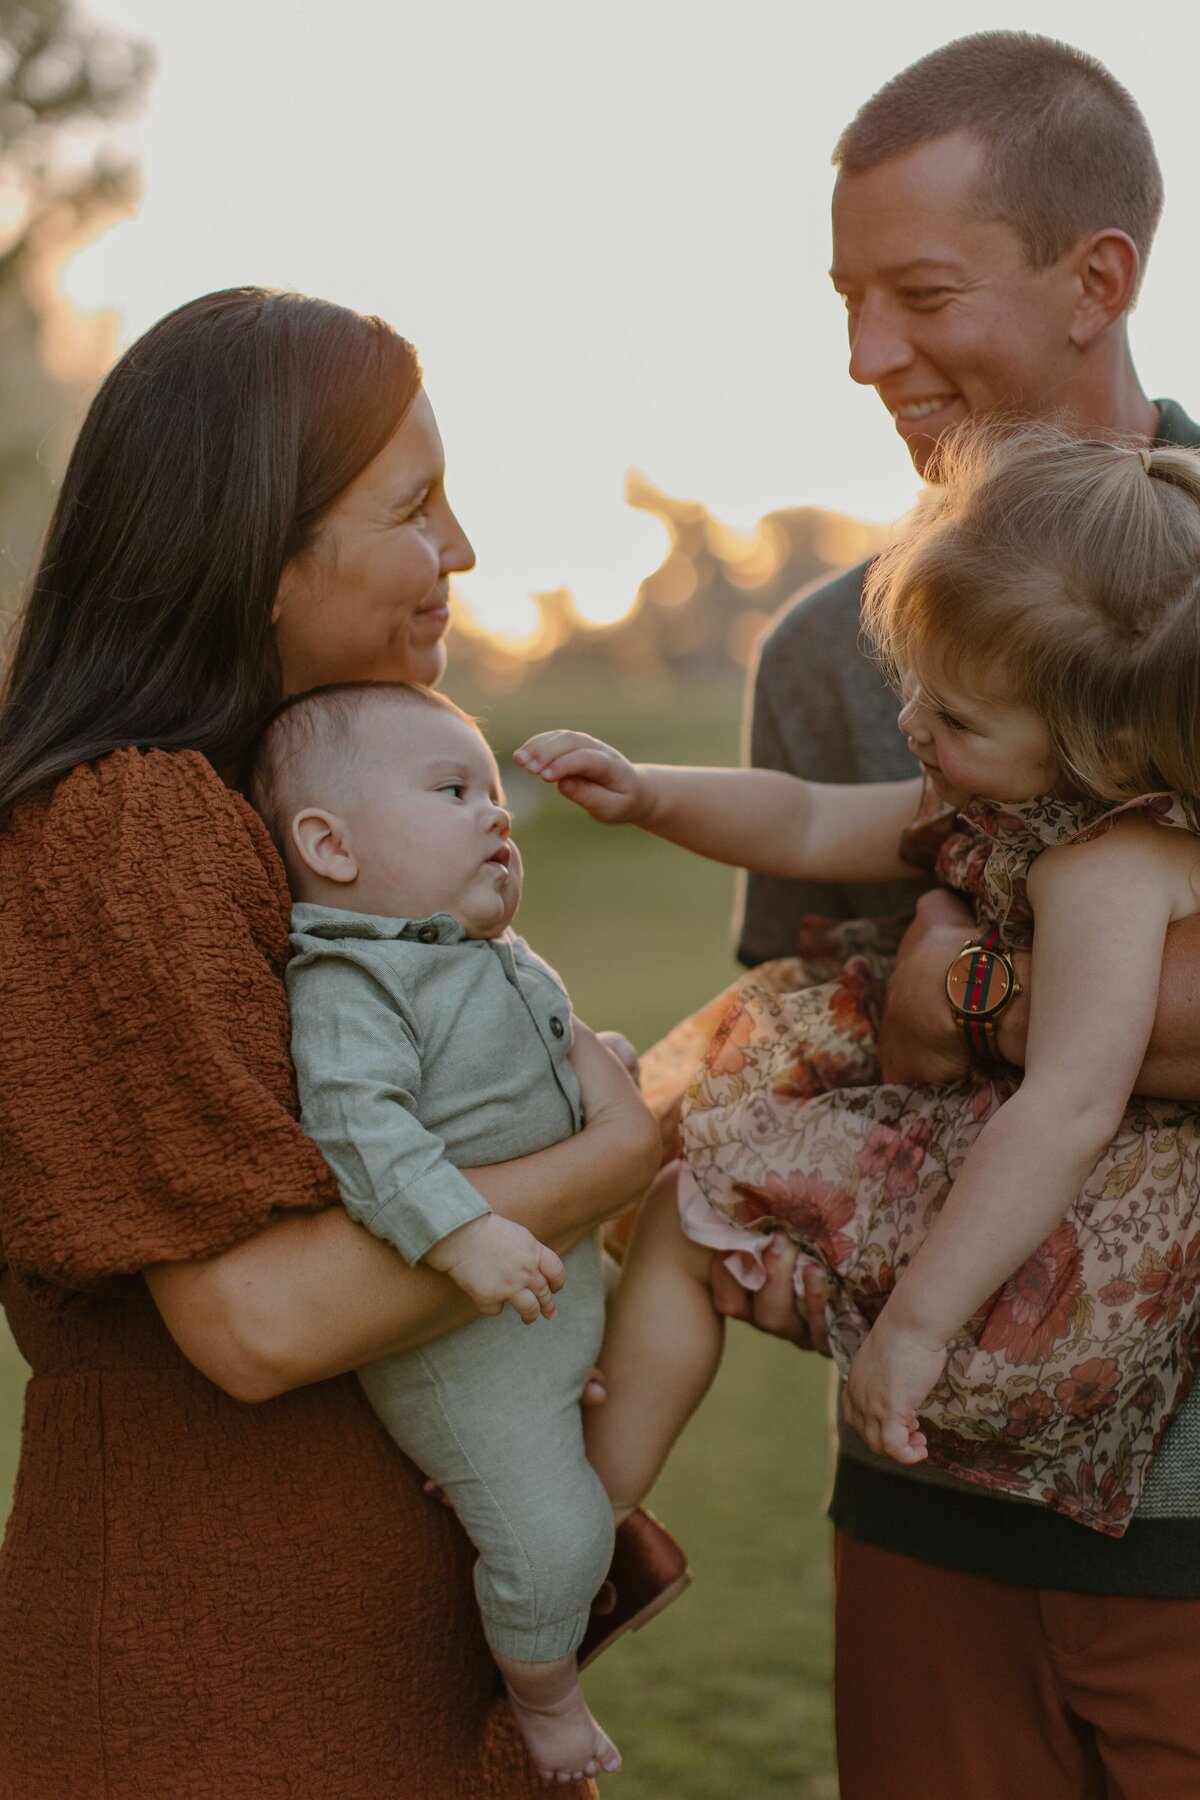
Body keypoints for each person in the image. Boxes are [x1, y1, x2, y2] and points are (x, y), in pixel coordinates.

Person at [0, 287, 661, 1800]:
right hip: (221, 1674)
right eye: (415, 507)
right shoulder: (134, 825)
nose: (465, 552)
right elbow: (258, 1327)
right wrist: (602, 1161)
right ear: (256, 536)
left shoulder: (266, 810)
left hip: (350, 1639)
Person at [734, 30, 1200, 1800]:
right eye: (849, 300)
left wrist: (988, 1005)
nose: (868, 358)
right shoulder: (832, 661)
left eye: (920, 293)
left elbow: (946, 1017)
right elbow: (829, 1045)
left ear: (1100, 281)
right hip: (931, 1512)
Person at [517, 421, 1200, 1539]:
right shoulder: (1016, 803)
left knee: (685, 1219)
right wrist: (648, 792)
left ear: (1113, 744)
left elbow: (1069, 1106)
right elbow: (804, 814)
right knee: (674, 1205)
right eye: (916, 691)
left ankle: (576, 1518)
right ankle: (574, 1496)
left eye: (954, 717)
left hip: (1044, 1252)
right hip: (987, 1175)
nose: (909, 726)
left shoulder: (1110, 871)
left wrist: (918, 1325)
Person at [249, 679, 686, 1783]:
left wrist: (604, 1074)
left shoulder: (482, 952)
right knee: (556, 1544)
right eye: (454, 791)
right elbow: (360, 1131)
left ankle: (560, 1498)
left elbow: (520, 1068)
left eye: (495, 795)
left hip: (544, 1305)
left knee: (691, 1267)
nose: (496, 816)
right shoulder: (356, 979)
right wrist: (462, 1236)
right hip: (465, 1335)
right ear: (329, 846)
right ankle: (543, 1691)